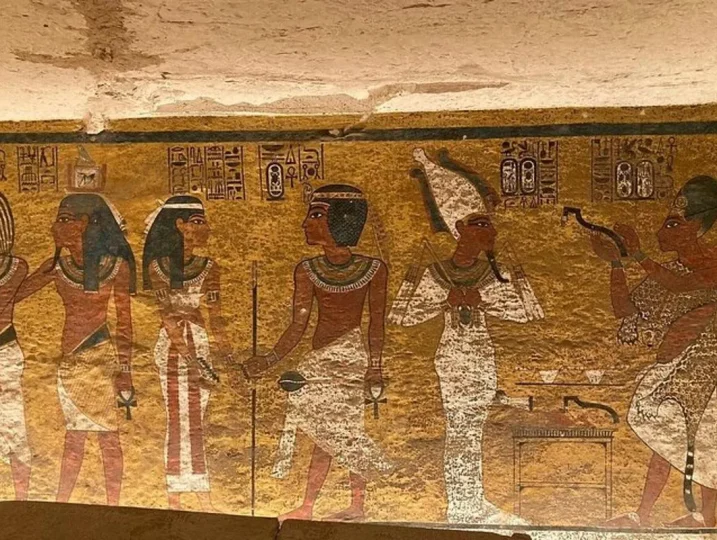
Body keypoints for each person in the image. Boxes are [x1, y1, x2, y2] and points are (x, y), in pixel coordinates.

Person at [388, 148, 544, 525]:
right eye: (480, 224)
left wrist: (483, 300)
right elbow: (403, 316)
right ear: (459, 229)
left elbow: (529, 312)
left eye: (489, 224)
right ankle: (463, 505)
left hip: (482, 359)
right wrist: (445, 299)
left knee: (472, 431)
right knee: (461, 431)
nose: (491, 231)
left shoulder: (496, 272)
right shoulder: (437, 272)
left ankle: (470, 501)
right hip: (452, 361)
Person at [243, 184, 392, 522]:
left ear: (342, 219)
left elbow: (376, 322)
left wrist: (375, 367)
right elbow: (298, 325)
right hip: (319, 363)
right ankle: (309, 506)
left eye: (316, 215)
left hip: (351, 360)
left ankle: (356, 505)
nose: (305, 223)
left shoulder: (374, 269)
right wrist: (268, 360)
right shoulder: (307, 269)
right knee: (322, 436)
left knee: (348, 433)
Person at [593, 175, 717, 528]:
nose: (662, 232)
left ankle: (707, 517)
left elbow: (682, 285)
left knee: (706, 441)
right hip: (680, 370)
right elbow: (625, 309)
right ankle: (646, 515)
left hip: (709, 373)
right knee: (667, 437)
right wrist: (616, 263)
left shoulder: (712, 264)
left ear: (696, 227)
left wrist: (638, 253)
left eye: (673, 224)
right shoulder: (669, 270)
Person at [16, 193, 135, 506]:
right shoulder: (56, 267)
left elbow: (125, 323)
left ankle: (114, 507)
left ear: (84, 223)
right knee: (74, 435)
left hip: (100, 357)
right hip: (69, 364)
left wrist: (125, 371)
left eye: (63, 219)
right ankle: (62, 504)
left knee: (108, 436)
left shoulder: (115, 266)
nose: (55, 227)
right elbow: (13, 295)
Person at [142, 195, 234, 512]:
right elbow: (167, 317)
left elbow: (216, 317)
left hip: (199, 342)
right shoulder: (158, 267)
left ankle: (199, 487)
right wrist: (191, 360)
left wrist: (227, 358)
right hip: (173, 348)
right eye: (197, 221)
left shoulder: (209, 267)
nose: (205, 227)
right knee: (177, 419)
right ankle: (175, 492)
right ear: (179, 225)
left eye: (203, 221)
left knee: (196, 420)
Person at [0, 193, 31, 500]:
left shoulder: (16, 267)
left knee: (13, 424)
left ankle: (22, 497)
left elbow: (10, 294)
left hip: (5, 351)